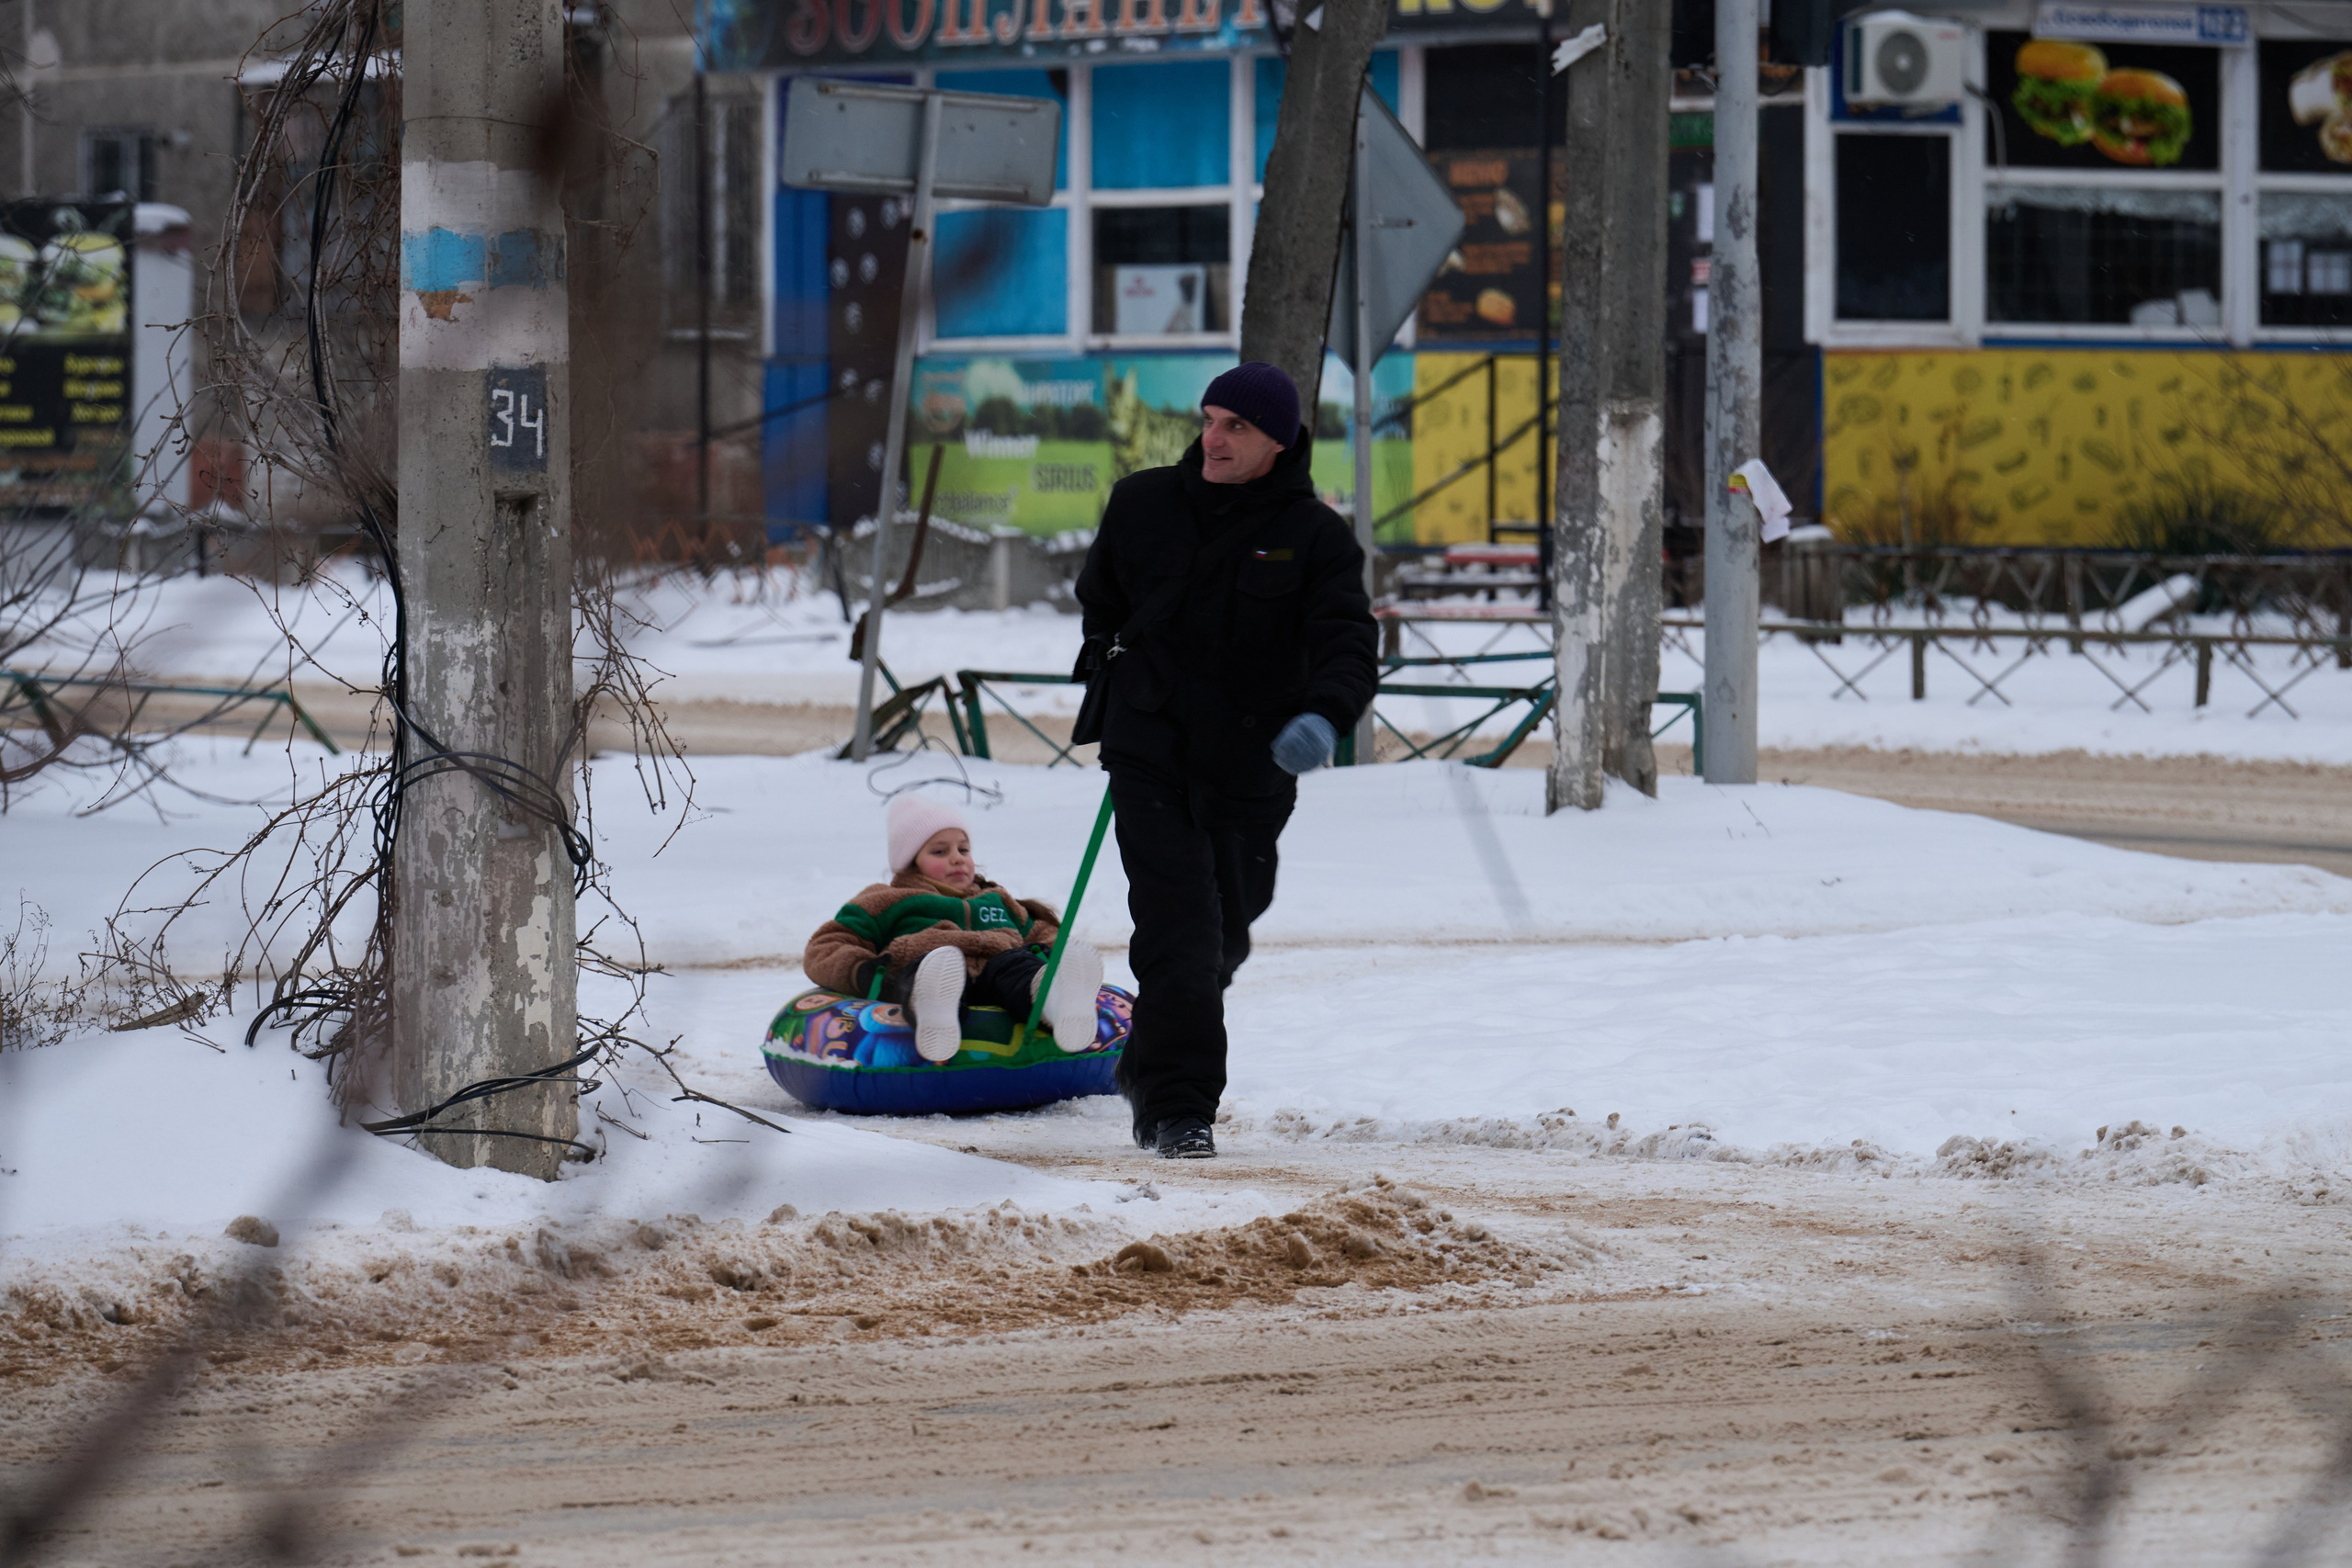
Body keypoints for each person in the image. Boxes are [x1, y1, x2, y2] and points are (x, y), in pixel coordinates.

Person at [1073, 362, 1379, 1160]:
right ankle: (1179, 1110)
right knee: (1179, 930)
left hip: (1252, 764)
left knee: (1223, 941)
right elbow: (1100, 596)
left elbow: (1349, 642)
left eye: (1236, 426)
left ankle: (1146, 1060)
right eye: (1209, 419)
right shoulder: (1142, 502)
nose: (1213, 437)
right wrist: (1118, 666)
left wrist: (1324, 714)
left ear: (1278, 441)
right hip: (1148, 747)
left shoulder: (1316, 536)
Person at [802, 794, 1107, 1064]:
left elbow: (1040, 932)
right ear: (911, 863)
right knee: (929, 968)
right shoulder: (886, 900)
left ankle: (1055, 1000)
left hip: (995, 975)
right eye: (940, 852)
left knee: (1014, 965)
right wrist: (864, 971)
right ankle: (934, 1012)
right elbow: (827, 945)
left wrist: (1055, 955)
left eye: (963, 849)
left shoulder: (996, 899)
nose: (957, 859)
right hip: (931, 968)